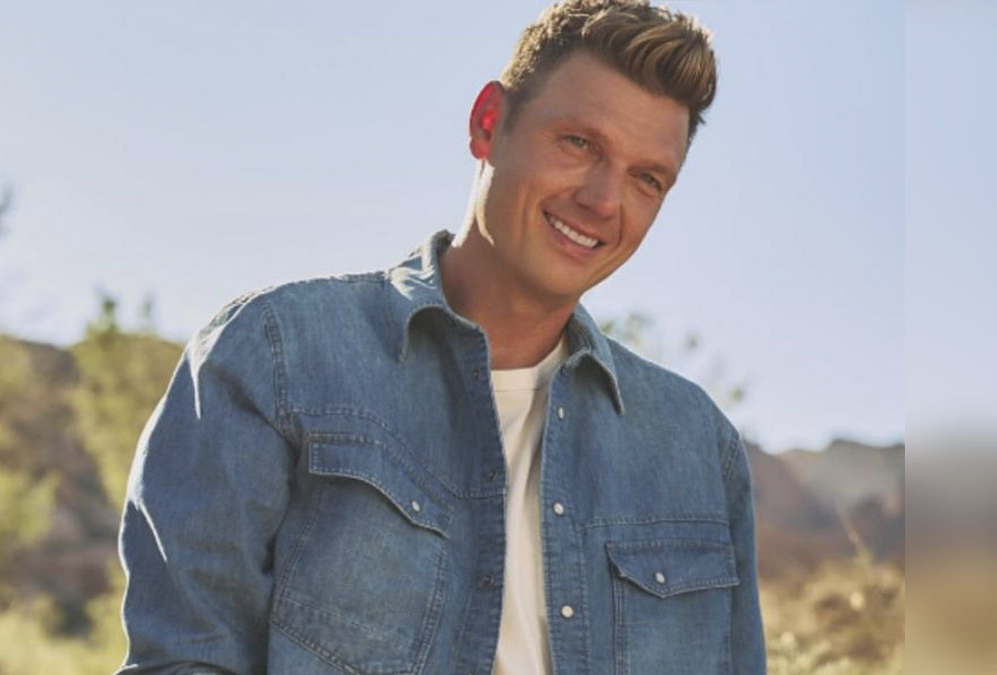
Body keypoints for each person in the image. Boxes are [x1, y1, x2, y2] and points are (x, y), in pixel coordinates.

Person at [116, 1, 765, 673]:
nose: (603, 201)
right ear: (489, 122)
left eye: (646, 179)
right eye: (579, 143)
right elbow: (186, 658)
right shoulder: (276, 357)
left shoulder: (698, 447)